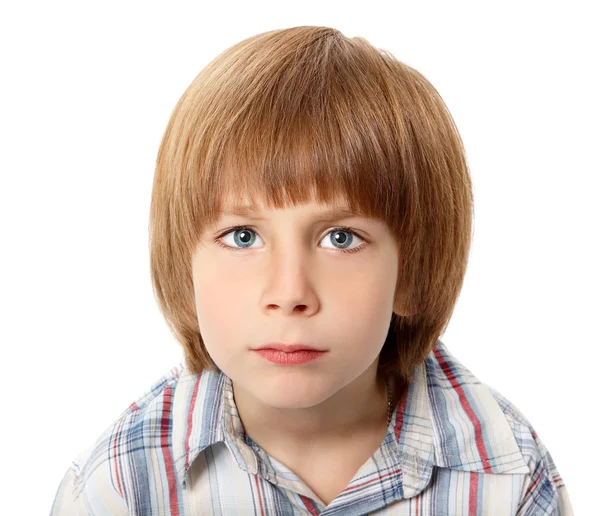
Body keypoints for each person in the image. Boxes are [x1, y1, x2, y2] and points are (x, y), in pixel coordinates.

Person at [50, 25, 573, 514]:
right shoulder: (119, 485)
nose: (289, 293)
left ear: (411, 272)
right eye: (243, 236)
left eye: (340, 238)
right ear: (184, 267)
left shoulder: (507, 477)